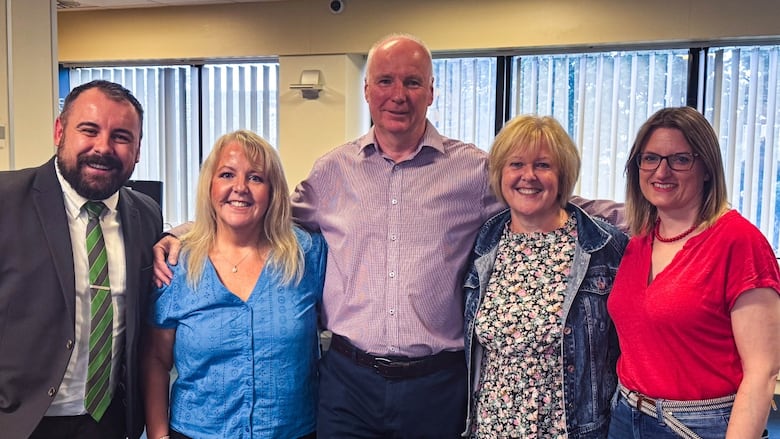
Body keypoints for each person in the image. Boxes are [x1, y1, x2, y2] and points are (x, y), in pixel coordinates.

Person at [153, 33, 624, 438]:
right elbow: (264, 211)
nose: (398, 94)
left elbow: (540, 197)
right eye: (386, 81)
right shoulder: (333, 171)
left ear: (431, 92)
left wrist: (647, 214)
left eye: (412, 82)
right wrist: (184, 231)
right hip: (347, 382)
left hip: (437, 384)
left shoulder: (472, 171)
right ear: (366, 90)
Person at [0, 80, 163, 439]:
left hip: (107, 422)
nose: (103, 147)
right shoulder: (6, 201)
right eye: (89, 130)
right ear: (60, 131)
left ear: (137, 150)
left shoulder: (146, 215)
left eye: (121, 137)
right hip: (17, 423)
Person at [607, 106, 780, 439]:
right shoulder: (639, 239)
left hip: (697, 426)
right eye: (650, 158)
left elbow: (763, 370)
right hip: (625, 414)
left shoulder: (739, 242)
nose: (662, 171)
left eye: (680, 159)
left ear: (706, 168)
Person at [142, 130, 326, 439]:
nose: (239, 188)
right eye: (227, 174)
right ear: (210, 186)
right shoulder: (177, 263)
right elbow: (156, 360)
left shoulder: (307, 254)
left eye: (256, 178)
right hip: (196, 431)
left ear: (273, 191)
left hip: (291, 431)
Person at [462, 115, 627, 438]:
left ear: (563, 175)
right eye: (516, 164)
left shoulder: (602, 248)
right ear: (499, 174)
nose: (528, 176)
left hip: (571, 430)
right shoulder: (484, 245)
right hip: (492, 427)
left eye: (543, 165)